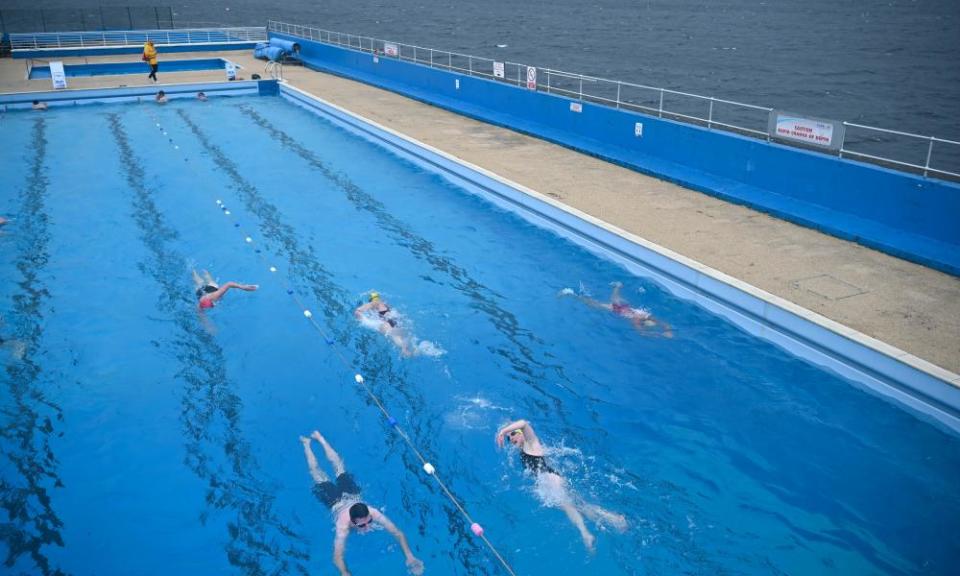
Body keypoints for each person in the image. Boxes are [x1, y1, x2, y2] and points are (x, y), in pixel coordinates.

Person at [300, 431, 424, 576]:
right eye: (362, 525)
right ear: (353, 521)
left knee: (339, 467)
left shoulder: (373, 513)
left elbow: (398, 533)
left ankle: (321, 438)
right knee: (317, 473)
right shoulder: (342, 525)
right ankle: (306, 444)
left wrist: (409, 556)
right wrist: (344, 572)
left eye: (368, 522)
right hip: (333, 501)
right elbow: (337, 556)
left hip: (351, 494)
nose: (367, 527)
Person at [496, 419, 627, 552]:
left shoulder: (532, 443)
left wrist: (503, 431)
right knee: (579, 506)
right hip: (549, 483)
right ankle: (614, 518)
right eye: (508, 438)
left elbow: (523, 423)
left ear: (521, 433)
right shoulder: (523, 450)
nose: (511, 438)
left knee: (568, 507)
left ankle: (586, 534)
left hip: (552, 480)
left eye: (513, 434)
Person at [560, 281, 673, 337]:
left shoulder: (646, 315)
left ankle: (618, 286)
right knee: (592, 304)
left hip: (624, 307)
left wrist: (667, 330)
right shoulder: (637, 320)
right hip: (617, 309)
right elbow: (641, 333)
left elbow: (665, 324)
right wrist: (660, 335)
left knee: (614, 298)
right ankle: (570, 293)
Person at [354, 291, 413, 356]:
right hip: (394, 321)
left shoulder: (374, 302)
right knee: (398, 336)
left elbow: (359, 310)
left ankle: (404, 349)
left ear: (371, 299)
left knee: (392, 336)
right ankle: (412, 349)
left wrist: (359, 313)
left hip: (386, 323)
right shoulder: (385, 304)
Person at [191, 269, 257, 311]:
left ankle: (198, 271)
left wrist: (243, 287)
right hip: (201, 291)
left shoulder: (215, 295)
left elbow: (229, 284)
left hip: (211, 288)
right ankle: (196, 271)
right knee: (199, 282)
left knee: (203, 282)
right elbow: (201, 315)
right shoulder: (201, 303)